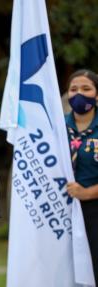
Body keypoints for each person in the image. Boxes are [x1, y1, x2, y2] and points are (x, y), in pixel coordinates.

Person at [65, 69, 98, 284]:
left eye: (86, 88)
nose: (79, 94)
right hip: (62, 211)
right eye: (74, 89)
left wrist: (87, 193)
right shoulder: (56, 127)